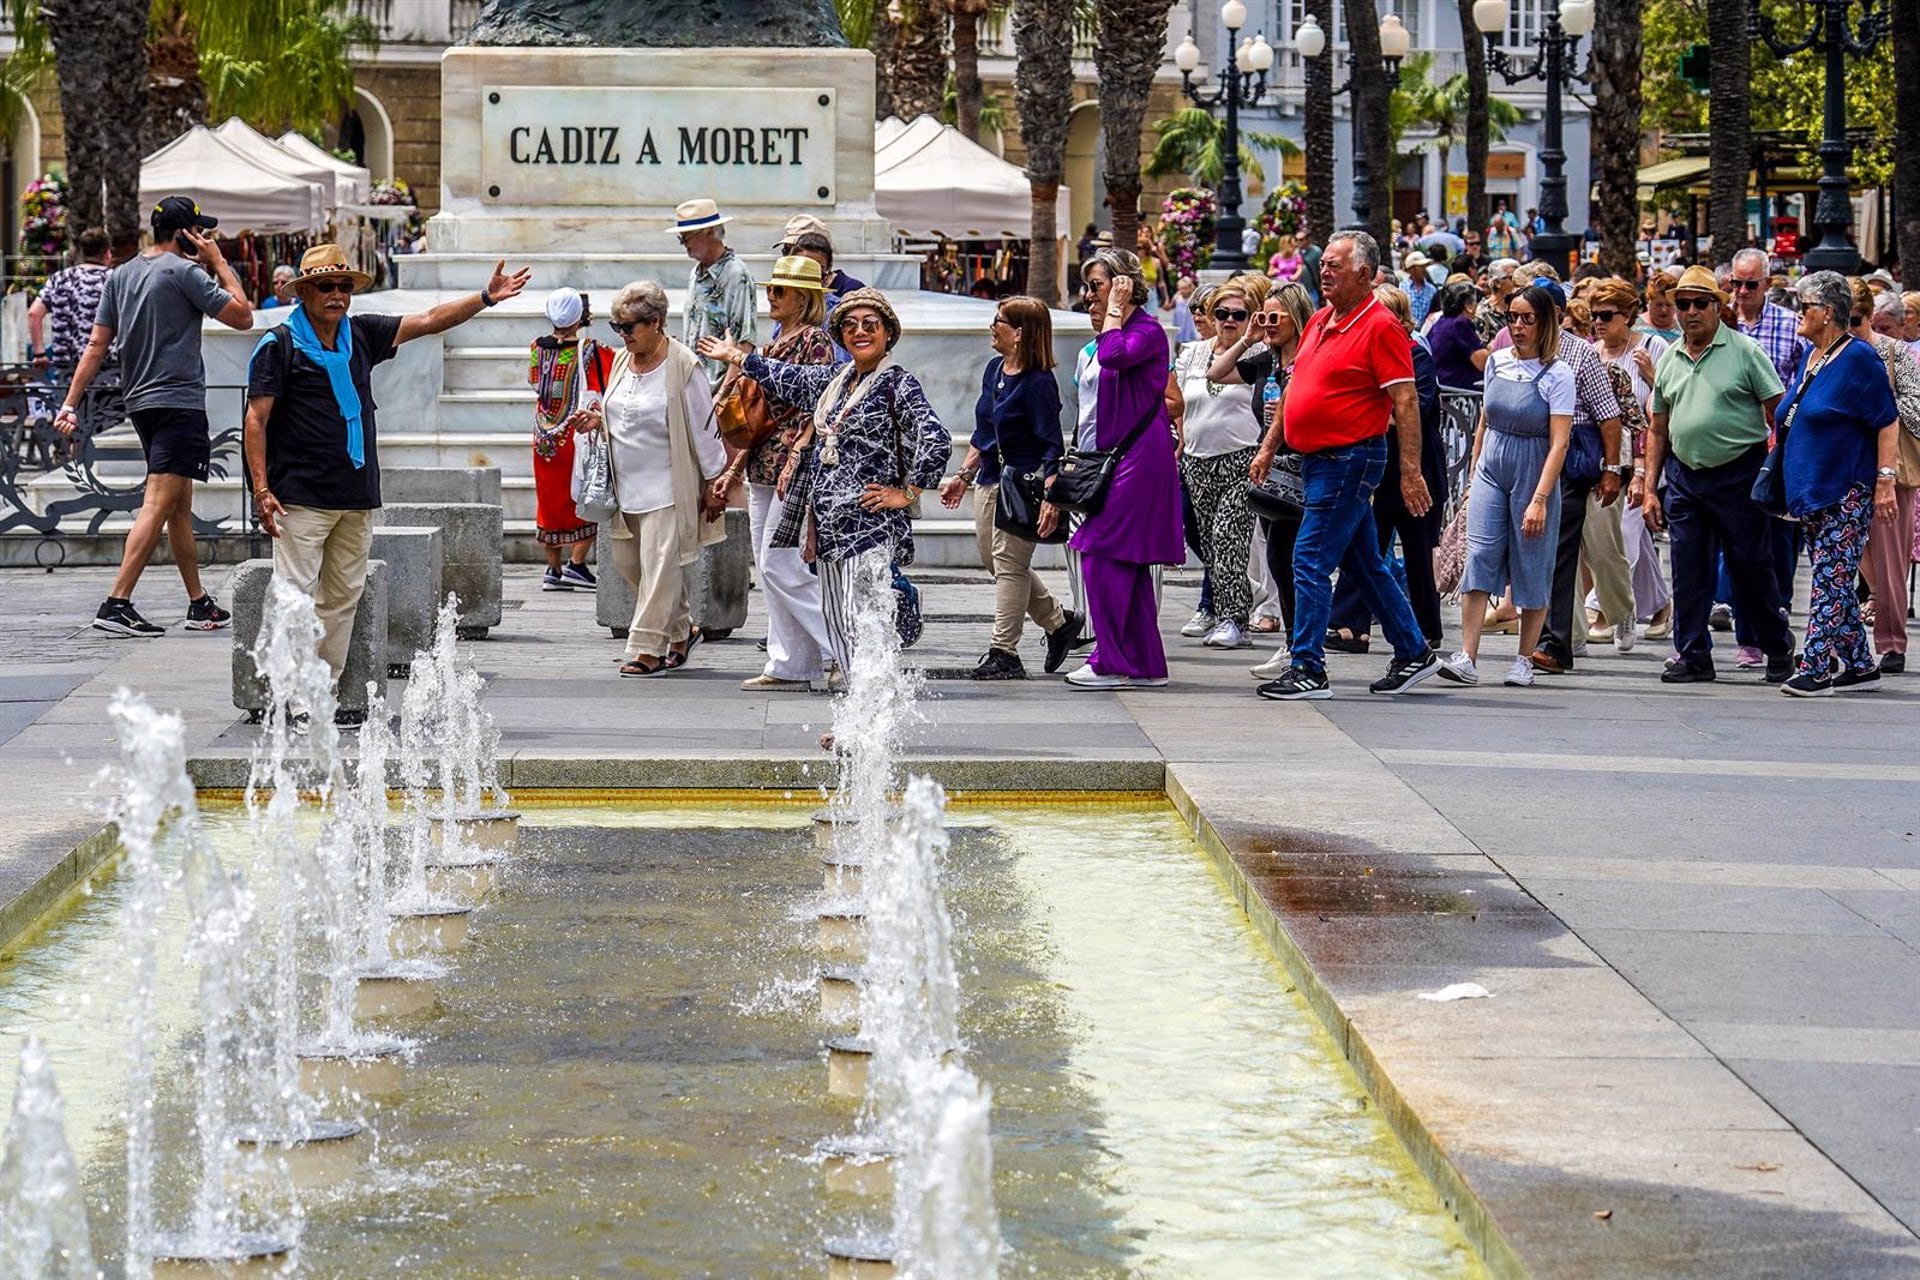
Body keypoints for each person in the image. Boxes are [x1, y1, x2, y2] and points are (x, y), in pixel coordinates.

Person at [246, 246, 530, 722]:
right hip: (299, 496)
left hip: (356, 493)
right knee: (294, 597)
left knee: (340, 601)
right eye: (325, 286)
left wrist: (485, 297)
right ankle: (291, 697)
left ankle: (320, 695)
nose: (337, 295)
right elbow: (256, 419)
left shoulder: (360, 334)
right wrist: (261, 488)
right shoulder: (279, 345)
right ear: (304, 292)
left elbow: (431, 320)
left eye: (344, 287)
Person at [699, 289, 951, 674]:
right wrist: (735, 357)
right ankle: (854, 719)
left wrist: (908, 492)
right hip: (832, 528)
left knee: (865, 625)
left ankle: (871, 719)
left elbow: (935, 438)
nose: (859, 332)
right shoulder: (837, 379)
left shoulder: (897, 384)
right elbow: (787, 377)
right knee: (841, 627)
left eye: (870, 324)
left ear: (887, 333)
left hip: (870, 527)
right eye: (849, 325)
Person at [1248, 230, 1444, 700]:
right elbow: (1297, 388)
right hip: (1318, 460)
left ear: (1366, 274)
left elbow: (1405, 400)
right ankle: (1414, 650)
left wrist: (1411, 471)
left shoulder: (1380, 326)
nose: (1325, 270)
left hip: (1349, 459)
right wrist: (1270, 444)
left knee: (1309, 558)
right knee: (1366, 564)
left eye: (1336, 264)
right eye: (1326, 263)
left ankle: (1308, 668)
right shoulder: (1319, 320)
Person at [57, 196, 254, 637]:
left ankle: (198, 603)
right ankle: (117, 602)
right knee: (158, 502)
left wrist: (70, 403)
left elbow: (96, 346)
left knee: (178, 507)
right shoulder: (187, 273)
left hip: (142, 403)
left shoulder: (122, 274)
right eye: (202, 232)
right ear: (187, 234)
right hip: (177, 403)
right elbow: (243, 316)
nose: (206, 239)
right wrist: (219, 262)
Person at [1643, 265, 1793, 684]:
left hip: (1738, 473)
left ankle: (1777, 645)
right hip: (1685, 477)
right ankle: (1692, 653)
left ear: (1717, 306)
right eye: (1682, 304)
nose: (1690, 312)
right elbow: (1658, 428)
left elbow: (1778, 412)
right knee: (1688, 568)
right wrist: (1651, 487)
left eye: (1700, 303)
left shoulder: (1744, 350)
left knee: (1750, 566)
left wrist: (1779, 467)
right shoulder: (1670, 357)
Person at [578, 280, 728, 677]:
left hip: (668, 486)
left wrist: (716, 482)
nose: (623, 335)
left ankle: (647, 649)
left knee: (661, 570)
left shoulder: (683, 365)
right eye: (617, 327)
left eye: (629, 327)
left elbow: (703, 426)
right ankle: (682, 631)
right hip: (625, 486)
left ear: (656, 323)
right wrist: (597, 420)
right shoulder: (624, 361)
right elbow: (623, 412)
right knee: (633, 567)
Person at [1054, 248, 1183, 689]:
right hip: (1120, 457)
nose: (1089, 295)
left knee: (1098, 551)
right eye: (1087, 286)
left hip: (1139, 459)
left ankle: (1110, 659)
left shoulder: (1145, 330)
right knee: (1126, 562)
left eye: (1097, 285)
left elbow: (1112, 355)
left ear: (1124, 285)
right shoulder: (1128, 329)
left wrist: (1113, 310)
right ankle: (1146, 662)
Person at [938, 296, 1083, 680]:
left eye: (998, 320)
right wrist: (963, 474)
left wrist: (1052, 497)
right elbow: (984, 433)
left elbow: (1053, 443)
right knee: (995, 561)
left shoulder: (1039, 383)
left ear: (1019, 333)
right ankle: (1058, 622)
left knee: (1009, 564)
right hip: (988, 480)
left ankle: (1004, 651)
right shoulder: (994, 370)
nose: (991, 326)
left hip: (1023, 483)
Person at [713, 255, 838, 692]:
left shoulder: (816, 341)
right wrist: (733, 471)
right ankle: (791, 661)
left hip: (793, 466)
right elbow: (759, 419)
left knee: (781, 564)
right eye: (771, 288)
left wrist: (745, 361)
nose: (771, 295)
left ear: (803, 298)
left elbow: (818, 394)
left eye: (780, 290)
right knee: (770, 567)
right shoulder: (771, 343)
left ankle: (841, 649)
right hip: (763, 465)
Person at [1439, 284, 1574, 687]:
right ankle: (1467, 654)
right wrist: (1473, 474)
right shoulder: (1496, 362)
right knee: (1479, 553)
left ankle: (1523, 659)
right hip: (1493, 466)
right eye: (1512, 317)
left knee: (1533, 560)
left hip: (1533, 467)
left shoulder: (1557, 373)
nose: (1517, 326)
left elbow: (1560, 441)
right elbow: (1483, 420)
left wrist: (1540, 498)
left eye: (1527, 319)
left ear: (1544, 323)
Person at [1776, 271, 1900, 696]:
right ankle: (1861, 665)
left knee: (1829, 577)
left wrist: (1885, 480)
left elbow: (1887, 421)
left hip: (1845, 490)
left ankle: (1816, 668)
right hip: (1811, 491)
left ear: (1827, 312)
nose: (1797, 314)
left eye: (1803, 306)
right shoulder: (1815, 357)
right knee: (1835, 576)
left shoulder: (1858, 358)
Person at [1325, 284, 1450, 654]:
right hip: (1375, 465)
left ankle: (1427, 629)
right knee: (1364, 547)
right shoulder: (1366, 355)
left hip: (1416, 468)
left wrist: (1368, 409)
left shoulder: (1417, 357)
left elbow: (1411, 405)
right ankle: (1351, 623)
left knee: (1416, 551)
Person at [1211, 280, 1315, 664]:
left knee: (1297, 561)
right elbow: (1216, 373)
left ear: (1296, 317)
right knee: (1280, 560)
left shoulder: (1310, 357)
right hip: (1272, 475)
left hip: (1305, 470)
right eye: (1264, 317)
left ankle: (1302, 644)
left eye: (1275, 317)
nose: (1268, 324)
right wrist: (1248, 337)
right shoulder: (1266, 361)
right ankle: (1296, 642)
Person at [1173, 273, 1263, 650]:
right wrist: (1176, 439)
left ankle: (1234, 618)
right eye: (1222, 313)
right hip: (1196, 458)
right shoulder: (1192, 352)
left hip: (1241, 457)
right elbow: (1176, 397)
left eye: (1238, 315)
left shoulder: (1258, 355)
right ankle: (1224, 606)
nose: (1229, 320)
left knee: (1229, 535)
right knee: (1208, 541)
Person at [1588, 276, 1673, 644]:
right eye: (1595, 315)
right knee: (1627, 537)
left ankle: (1604, 609)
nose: (1599, 322)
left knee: (1622, 535)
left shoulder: (1653, 347)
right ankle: (1659, 604)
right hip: (1605, 461)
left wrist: (1652, 377)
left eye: (1607, 314)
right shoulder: (1591, 353)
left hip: (1644, 460)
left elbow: (1668, 403)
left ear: (1629, 316)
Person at [1848, 277, 1920, 675]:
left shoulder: (1895, 354)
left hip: (1889, 469)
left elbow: (1919, 413)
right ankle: (1845, 634)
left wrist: (1879, 403)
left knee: (1892, 560)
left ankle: (1892, 641)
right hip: (1843, 467)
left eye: (1857, 319)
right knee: (1844, 552)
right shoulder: (1830, 353)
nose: (1851, 327)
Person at [528, 286, 608, 591]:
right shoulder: (591, 348)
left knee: (548, 503)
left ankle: (553, 568)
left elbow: (535, 383)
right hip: (575, 435)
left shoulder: (536, 347)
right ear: (580, 317)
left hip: (542, 436)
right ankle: (577, 563)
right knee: (585, 496)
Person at [674, 198, 756, 391]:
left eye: (686, 237)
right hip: (693, 385)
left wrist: (724, 396)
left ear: (709, 232)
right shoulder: (696, 273)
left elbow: (744, 343)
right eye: (681, 238)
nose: (683, 243)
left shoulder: (736, 274)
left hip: (718, 390)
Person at [28, 226, 111, 368]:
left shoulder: (59, 278)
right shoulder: (114, 280)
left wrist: (40, 354)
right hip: (108, 369)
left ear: (81, 252)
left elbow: (34, 314)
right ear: (107, 253)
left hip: (67, 369)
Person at [1427, 282, 1488, 391]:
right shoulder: (1460, 324)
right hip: (1459, 393)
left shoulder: (1440, 322)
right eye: (1475, 301)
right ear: (1467, 306)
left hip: (1443, 387)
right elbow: (1482, 363)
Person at [1638, 271, 1682, 343]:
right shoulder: (1634, 327)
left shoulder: (1683, 329)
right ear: (1649, 301)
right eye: (1659, 305)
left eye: (1668, 305)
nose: (1664, 310)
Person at [1400, 251, 1438, 328]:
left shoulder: (1432, 289)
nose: (1424, 269)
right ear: (1411, 269)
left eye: (1425, 266)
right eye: (1420, 266)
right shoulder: (1402, 288)